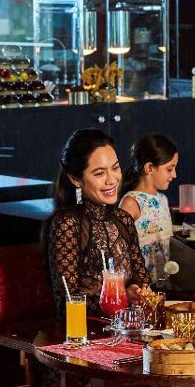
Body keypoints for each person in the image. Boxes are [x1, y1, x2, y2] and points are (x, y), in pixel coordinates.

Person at [43, 128, 152, 320]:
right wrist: (120, 298)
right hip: (84, 332)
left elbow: (144, 284)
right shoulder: (68, 224)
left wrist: (136, 292)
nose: (112, 180)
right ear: (75, 179)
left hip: (128, 329)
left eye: (115, 168)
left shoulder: (123, 220)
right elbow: (68, 302)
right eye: (100, 173)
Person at [119, 133, 178, 282]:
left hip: (164, 284)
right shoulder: (130, 203)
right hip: (141, 285)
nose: (174, 175)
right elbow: (119, 250)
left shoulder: (162, 199)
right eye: (169, 169)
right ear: (149, 168)